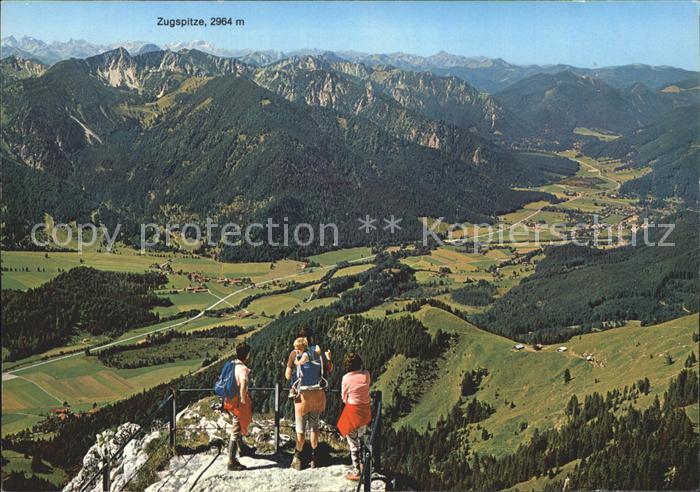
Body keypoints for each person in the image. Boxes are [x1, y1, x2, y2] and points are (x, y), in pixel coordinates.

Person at [285, 327, 332, 470]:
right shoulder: (317, 353)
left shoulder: (294, 354)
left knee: (300, 430)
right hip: (317, 395)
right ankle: (314, 458)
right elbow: (329, 369)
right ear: (311, 339)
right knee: (314, 428)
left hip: (302, 397)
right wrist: (329, 358)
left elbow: (287, 376)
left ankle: (297, 458)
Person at [336, 353, 372, 481]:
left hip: (352, 411)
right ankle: (363, 465)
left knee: (352, 443)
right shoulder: (366, 374)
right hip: (365, 411)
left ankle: (357, 471)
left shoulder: (346, 378)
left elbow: (344, 397)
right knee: (361, 438)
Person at [224, 342, 254, 471]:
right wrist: (242, 402)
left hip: (228, 400)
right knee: (236, 429)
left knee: (238, 425)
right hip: (237, 402)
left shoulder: (231, 364)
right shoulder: (242, 369)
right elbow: (243, 386)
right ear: (246, 355)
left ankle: (243, 449)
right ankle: (231, 460)